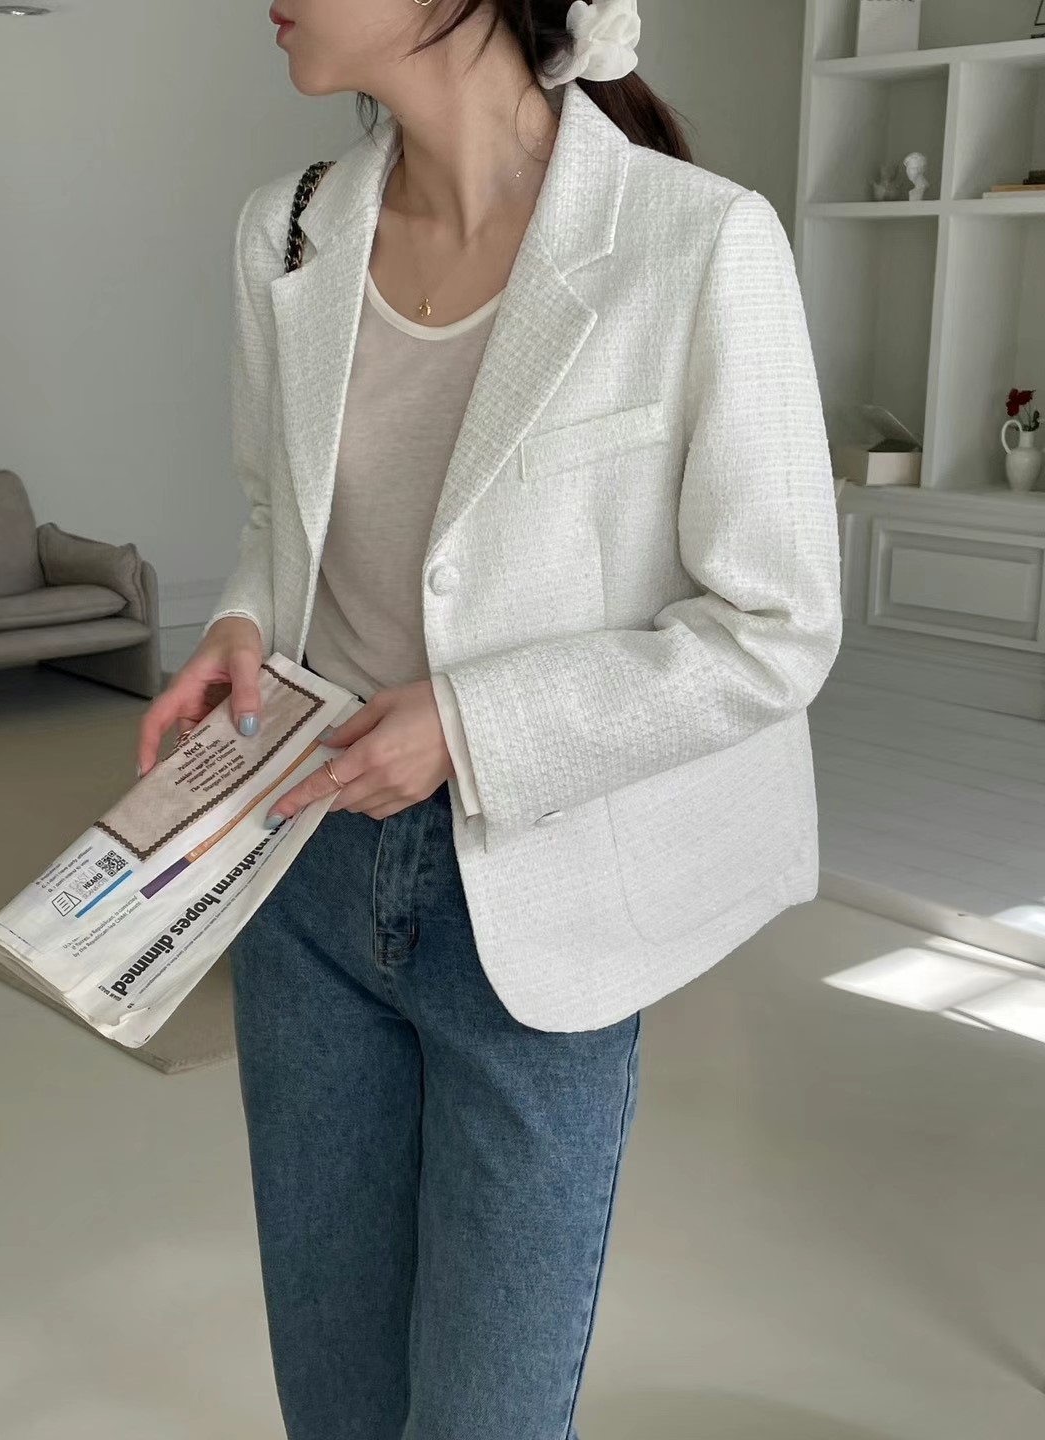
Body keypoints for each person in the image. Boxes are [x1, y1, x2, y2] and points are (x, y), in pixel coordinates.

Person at [137, 1, 843, 1435]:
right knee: (334, 1401)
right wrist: (239, 626)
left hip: (540, 905)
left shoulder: (699, 240)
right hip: (306, 879)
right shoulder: (286, 233)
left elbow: (775, 627)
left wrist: (470, 725)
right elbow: (279, 516)